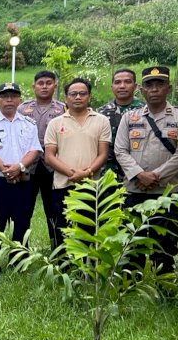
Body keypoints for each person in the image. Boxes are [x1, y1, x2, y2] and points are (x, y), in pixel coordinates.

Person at [114, 66, 178, 274]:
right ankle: (131, 283)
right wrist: (139, 174)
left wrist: (155, 176)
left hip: (166, 191)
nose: (154, 89)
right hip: (134, 189)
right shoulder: (129, 118)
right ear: (142, 90)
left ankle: (163, 285)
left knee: (165, 242)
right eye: (149, 85)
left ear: (168, 88)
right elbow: (120, 150)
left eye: (159, 84)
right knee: (132, 240)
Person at [0, 82, 42, 276]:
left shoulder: (29, 124)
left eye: (13, 96)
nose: (9, 100)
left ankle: (19, 263)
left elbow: (34, 150)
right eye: (5, 96)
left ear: (20, 100)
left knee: (21, 222)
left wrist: (19, 167)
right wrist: (6, 170)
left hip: (21, 181)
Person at [44, 78, 111, 248]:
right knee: (62, 227)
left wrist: (87, 172)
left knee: (88, 228)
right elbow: (49, 156)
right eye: (73, 94)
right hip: (62, 184)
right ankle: (62, 266)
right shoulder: (55, 123)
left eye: (82, 93)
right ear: (66, 98)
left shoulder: (101, 120)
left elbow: (103, 154)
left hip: (92, 185)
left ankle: (86, 268)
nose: (78, 97)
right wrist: (71, 173)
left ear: (89, 96)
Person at [17, 70, 64, 245]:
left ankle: (57, 248)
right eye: (41, 83)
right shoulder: (23, 109)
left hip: (53, 165)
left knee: (54, 209)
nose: (44, 86)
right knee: (23, 209)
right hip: (28, 166)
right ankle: (20, 249)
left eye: (48, 83)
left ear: (55, 85)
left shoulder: (62, 109)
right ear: (33, 86)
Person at [97, 68, 144, 178]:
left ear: (135, 86)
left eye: (127, 82)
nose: (122, 86)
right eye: (117, 82)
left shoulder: (145, 112)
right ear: (112, 87)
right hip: (107, 173)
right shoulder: (101, 112)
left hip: (137, 172)